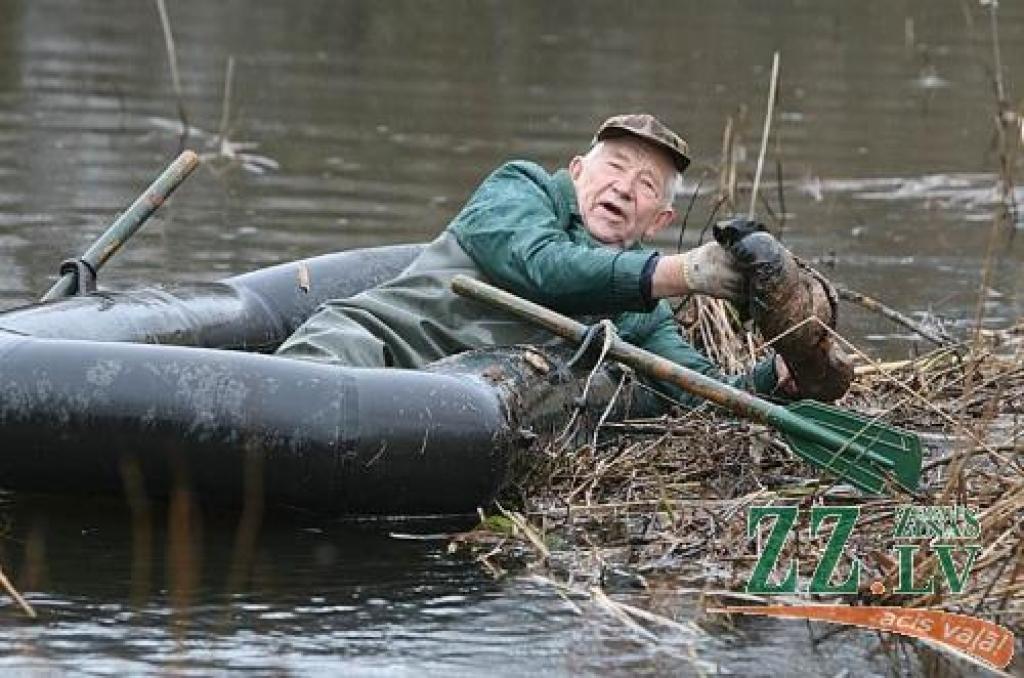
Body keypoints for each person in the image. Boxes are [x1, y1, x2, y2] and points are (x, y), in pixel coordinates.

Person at [275, 114, 850, 406]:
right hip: (366, 349)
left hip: (443, 409)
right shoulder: (520, 189)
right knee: (295, 402)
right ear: (577, 172)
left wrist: (782, 375)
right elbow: (546, 268)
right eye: (615, 166)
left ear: (659, 222)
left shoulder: (643, 313)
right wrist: (684, 273)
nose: (623, 187)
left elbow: (698, 393)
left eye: (646, 184)